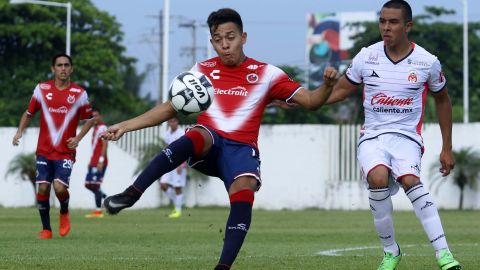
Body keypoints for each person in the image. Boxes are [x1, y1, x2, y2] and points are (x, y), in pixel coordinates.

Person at [101, 8, 338, 270]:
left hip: (240, 150)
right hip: (208, 144)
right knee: (199, 133)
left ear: (243, 37)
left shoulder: (268, 74)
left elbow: (312, 102)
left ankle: (223, 267)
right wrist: (124, 125)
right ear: (212, 41)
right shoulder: (202, 71)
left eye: (230, 37)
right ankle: (132, 193)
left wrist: (326, 86)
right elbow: (170, 107)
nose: (224, 45)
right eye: (217, 39)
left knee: (244, 188)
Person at [326, 1, 461, 269]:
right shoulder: (366, 56)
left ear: (407, 26)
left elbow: (442, 100)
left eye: (393, 22)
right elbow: (340, 90)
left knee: (411, 180)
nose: (386, 27)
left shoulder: (427, 62)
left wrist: (447, 148)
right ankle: (391, 252)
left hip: (407, 137)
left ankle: (444, 254)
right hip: (373, 135)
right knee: (377, 178)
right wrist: (305, 98)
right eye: (383, 21)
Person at [12, 53, 95, 239]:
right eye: (59, 65)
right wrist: (19, 132)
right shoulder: (42, 89)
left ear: (71, 69)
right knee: (42, 188)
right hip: (44, 150)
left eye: (66, 65)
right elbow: (28, 113)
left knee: (58, 187)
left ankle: (64, 211)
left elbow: (90, 120)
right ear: (53, 69)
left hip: (65, 151)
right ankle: (46, 229)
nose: (63, 68)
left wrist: (78, 138)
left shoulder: (79, 94)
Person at [159, 117, 187, 218]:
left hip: (179, 164)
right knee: (163, 184)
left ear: (177, 122)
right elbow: (166, 148)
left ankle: (178, 210)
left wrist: (181, 164)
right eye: (170, 121)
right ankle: (178, 203)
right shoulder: (167, 133)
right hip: (168, 164)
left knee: (177, 187)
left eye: (173, 121)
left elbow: (185, 149)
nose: (172, 123)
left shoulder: (181, 133)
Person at [84, 109, 109, 218]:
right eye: (92, 116)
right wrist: (91, 161)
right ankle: (107, 199)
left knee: (95, 184)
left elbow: (104, 145)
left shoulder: (103, 128)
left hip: (99, 161)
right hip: (93, 161)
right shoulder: (94, 128)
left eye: (96, 116)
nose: (94, 118)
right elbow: (95, 146)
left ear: (100, 116)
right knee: (88, 184)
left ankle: (98, 211)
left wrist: (101, 161)